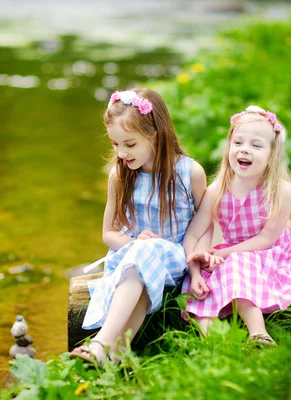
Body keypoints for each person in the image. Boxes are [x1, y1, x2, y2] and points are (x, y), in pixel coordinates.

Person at [70, 88, 209, 365]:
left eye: (130, 144)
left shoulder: (189, 173)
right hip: (130, 257)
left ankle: (100, 344)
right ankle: (117, 356)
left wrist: (196, 267)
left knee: (147, 253)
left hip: (175, 257)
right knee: (142, 259)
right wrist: (135, 244)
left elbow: (204, 226)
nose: (121, 153)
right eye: (115, 144)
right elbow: (108, 234)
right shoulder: (119, 175)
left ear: (156, 133)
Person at [181, 105, 291, 344]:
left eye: (256, 145)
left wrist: (222, 253)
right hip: (232, 252)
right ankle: (214, 343)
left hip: (269, 254)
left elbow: (266, 240)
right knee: (201, 285)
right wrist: (197, 266)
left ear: (271, 154)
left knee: (236, 264)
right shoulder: (218, 189)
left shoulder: (280, 190)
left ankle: (259, 334)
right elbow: (194, 233)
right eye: (238, 143)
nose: (244, 150)